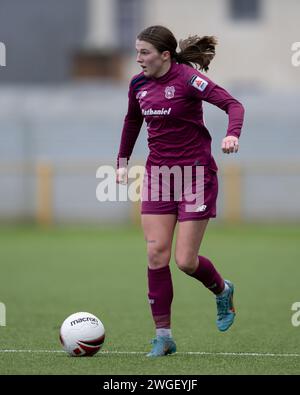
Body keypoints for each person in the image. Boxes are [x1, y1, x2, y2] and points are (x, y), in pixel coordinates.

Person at [116, 25, 244, 357]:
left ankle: (222, 289)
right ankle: (163, 336)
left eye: (144, 52)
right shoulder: (138, 85)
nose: (138, 58)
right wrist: (122, 160)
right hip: (159, 176)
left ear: (164, 55)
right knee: (156, 254)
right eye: (137, 51)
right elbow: (132, 122)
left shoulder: (188, 80)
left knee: (185, 261)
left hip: (195, 176)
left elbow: (233, 105)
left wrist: (232, 135)